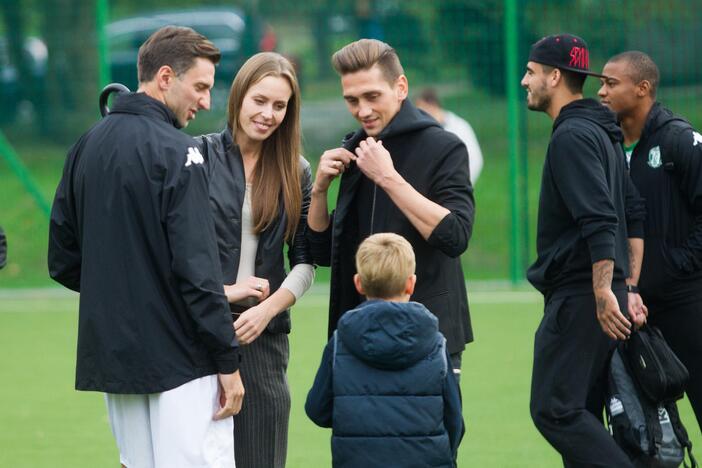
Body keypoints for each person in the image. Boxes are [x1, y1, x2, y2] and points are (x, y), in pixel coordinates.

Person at [48, 26, 243, 468]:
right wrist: (228, 364)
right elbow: (197, 271)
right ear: (166, 77)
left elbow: (62, 260)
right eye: (201, 87)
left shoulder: (84, 146)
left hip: (118, 362)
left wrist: (128, 298)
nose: (206, 102)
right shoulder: (182, 151)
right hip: (184, 361)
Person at [306, 39, 475, 378]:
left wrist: (387, 177)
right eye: (352, 100)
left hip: (429, 336)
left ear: (400, 87)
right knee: (358, 433)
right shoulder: (356, 149)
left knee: (430, 433)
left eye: (372, 96)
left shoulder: (444, 147)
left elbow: (455, 235)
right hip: (360, 333)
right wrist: (320, 191)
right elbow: (323, 252)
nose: (362, 110)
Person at [521, 34, 647, 466]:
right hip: (603, 290)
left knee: (554, 409)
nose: (525, 81)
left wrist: (602, 291)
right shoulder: (602, 133)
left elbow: (599, 218)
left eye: (532, 73)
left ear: (555, 77)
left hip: (582, 295)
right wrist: (627, 285)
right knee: (583, 409)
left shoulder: (572, 136)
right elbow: (634, 210)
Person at [197, 52, 314, 468]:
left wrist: (267, 309)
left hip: (264, 340)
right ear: (239, 97)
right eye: (259, 100)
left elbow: (305, 261)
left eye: (279, 106)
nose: (267, 114)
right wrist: (222, 293)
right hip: (196, 333)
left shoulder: (297, 171)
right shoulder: (197, 157)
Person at [599, 51, 702, 432]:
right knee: (638, 426)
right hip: (628, 311)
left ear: (642, 89)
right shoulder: (605, 145)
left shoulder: (679, 140)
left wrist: (675, 267)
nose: (601, 91)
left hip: (685, 303)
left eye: (611, 83)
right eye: (601, 83)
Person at [305, 232, 464, 467]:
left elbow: (318, 409)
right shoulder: (436, 343)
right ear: (411, 283)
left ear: (358, 283)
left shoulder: (341, 343)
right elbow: (454, 420)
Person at [415, 87, 484, 185]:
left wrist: (460, 185)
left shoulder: (459, 127)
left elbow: (475, 159)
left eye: (422, 109)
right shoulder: (422, 129)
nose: (419, 114)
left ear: (432, 105)